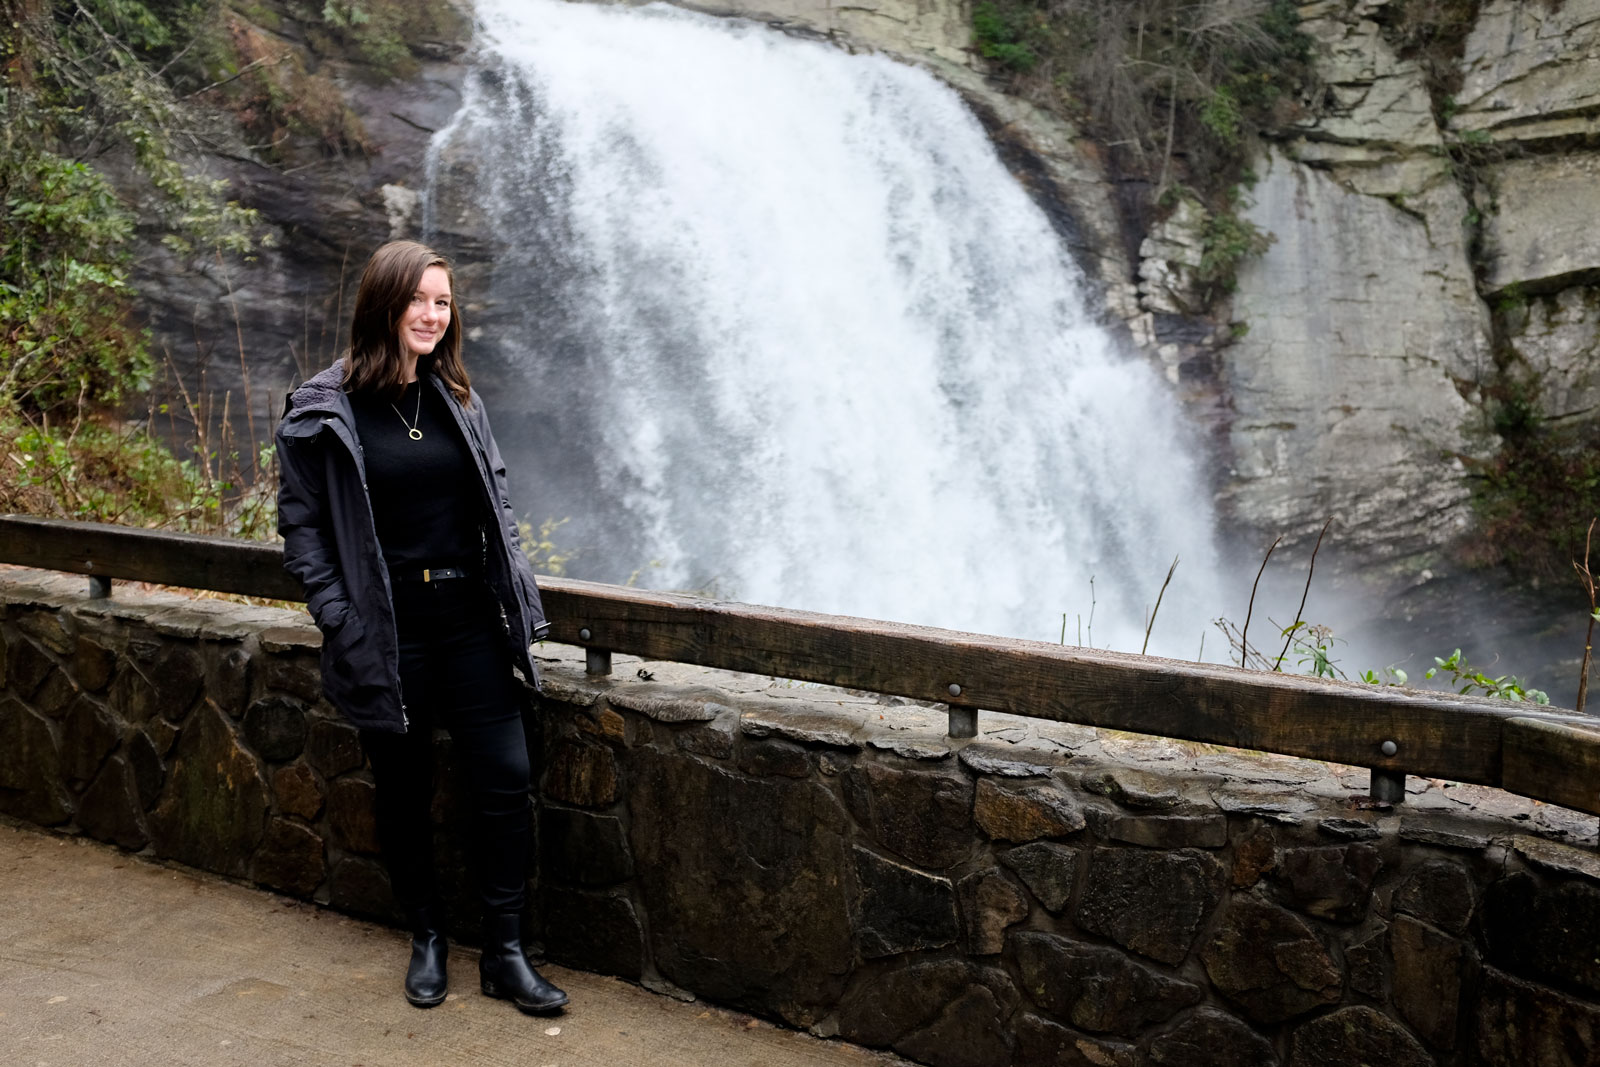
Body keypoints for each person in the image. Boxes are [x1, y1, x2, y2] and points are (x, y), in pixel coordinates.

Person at [275, 239, 567, 1015]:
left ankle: (504, 952)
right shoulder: (321, 408)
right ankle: (428, 938)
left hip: (468, 618)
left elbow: (496, 503)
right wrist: (338, 619)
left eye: (444, 302)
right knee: (404, 790)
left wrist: (516, 595)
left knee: (505, 776)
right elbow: (301, 529)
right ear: (385, 303)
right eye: (420, 300)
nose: (434, 315)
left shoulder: (458, 398)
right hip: (386, 627)